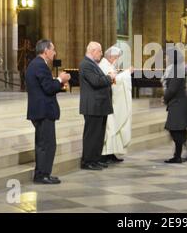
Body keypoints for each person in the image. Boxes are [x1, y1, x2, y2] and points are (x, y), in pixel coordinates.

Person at [26, 40, 71, 184]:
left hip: (41, 111)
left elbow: (46, 86)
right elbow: (48, 87)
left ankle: (44, 173)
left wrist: (57, 82)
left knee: (44, 144)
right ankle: (42, 175)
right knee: (47, 145)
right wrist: (60, 79)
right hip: (43, 111)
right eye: (53, 49)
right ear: (46, 51)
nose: (55, 52)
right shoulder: (40, 65)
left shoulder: (37, 64)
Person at [79, 42, 117, 171]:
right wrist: (110, 77)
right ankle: (87, 161)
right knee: (92, 135)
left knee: (99, 135)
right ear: (93, 51)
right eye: (100, 51)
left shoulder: (93, 64)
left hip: (99, 105)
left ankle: (95, 159)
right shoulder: (85, 64)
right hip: (93, 106)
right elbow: (96, 81)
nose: (101, 54)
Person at [98, 46, 133, 164]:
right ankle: (104, 154)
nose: (117, 59)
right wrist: (127, 73)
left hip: (112, 101)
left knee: (113, 127)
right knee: (110, 128)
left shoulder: (110, 65)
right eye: (117, 57)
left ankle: (111, 153)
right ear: (111, 57)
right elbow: (113, 81)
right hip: (108, 101)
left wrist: (123, 74)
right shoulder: (104, 65)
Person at [162, 47, 187, 163]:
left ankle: (178, 156)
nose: (165, 58)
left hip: (178, 104)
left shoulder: (177, 70)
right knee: (178, 130)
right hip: (179, 103)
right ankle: (180, 154)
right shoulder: (178, 69)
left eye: (167, 56)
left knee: (175, 130)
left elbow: (172, 89)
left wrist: (165, 98)